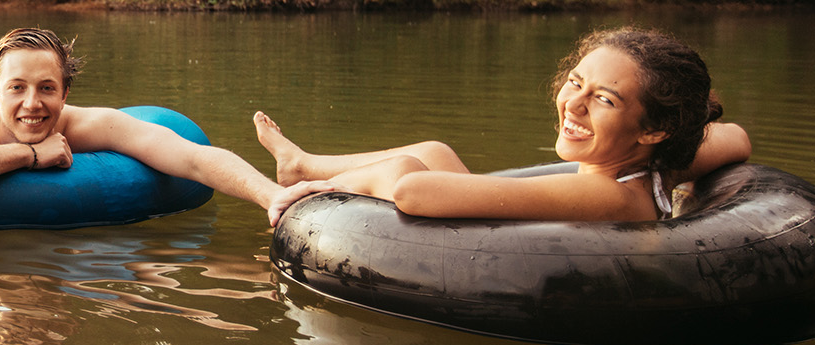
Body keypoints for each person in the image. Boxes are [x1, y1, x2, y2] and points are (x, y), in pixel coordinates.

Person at [258, 27, 751, 227]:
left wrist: (337, 188)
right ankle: (299, 162)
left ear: (654, 129)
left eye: (603, 99)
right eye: (576, 83)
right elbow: (736, 138)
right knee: (436, 148)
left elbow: (410, 193)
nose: (573, 105)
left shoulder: (612, 196)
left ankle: (312, 176)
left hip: (487, 260)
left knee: (408, 168)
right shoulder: (657, 161)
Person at [0, 27, 284, 213]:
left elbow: (191, 156)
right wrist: (27, 155)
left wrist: (270, 196)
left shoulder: (84, 125)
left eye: (47, 88)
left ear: (65, 94)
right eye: (16, 88)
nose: (33, 104)